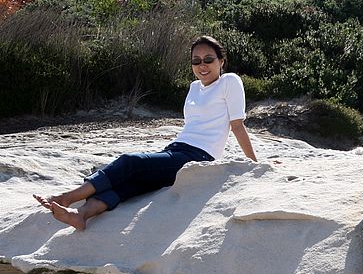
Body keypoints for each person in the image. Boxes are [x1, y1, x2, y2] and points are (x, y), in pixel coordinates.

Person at [34, 35, 257, 230]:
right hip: (176, 150)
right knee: (133, 183)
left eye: (209, 59)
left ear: (221, 61)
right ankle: (81, 215)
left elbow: (237, 125)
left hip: (199, 157)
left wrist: (255, 164)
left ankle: (67, 197)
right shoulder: (193, 87)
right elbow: (193, 126)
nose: (202, 65)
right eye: (196, 61)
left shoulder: (230, 81)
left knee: (130, 162)